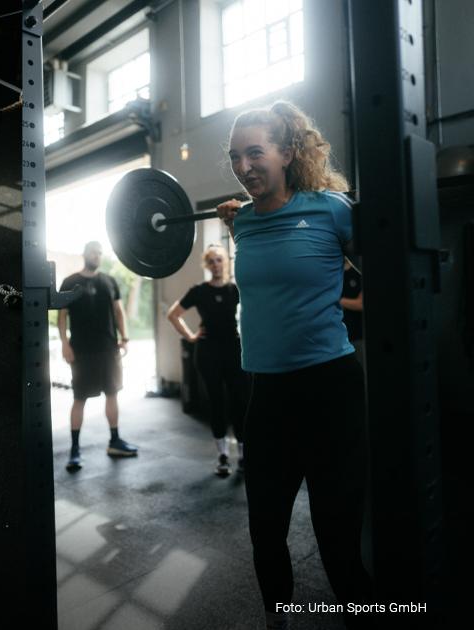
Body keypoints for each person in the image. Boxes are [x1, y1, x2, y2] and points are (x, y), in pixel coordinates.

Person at [216, 100, 371, 629]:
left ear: (286, 152)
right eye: (235, 156)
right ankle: (276, 620)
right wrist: (236, 219)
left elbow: (388, 273)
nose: (243, 166)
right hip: (268, 393)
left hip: (330, 388)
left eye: (255, 152)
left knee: (337, 537)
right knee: (265, 530)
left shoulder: (330, 209)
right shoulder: (242, 224)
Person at [165, 244, 248, 477]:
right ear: (206, 265)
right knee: (217, 402)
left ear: (226, 262)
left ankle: (242, 454)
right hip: (208, 352)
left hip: (234, 350)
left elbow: (256, 309)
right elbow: (173, 315)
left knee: (239, 403)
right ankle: (222, 455)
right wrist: (191, 336)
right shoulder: (199, 291)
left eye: (219, 259)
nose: (216, 264)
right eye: (211, 261)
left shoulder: (235, 290)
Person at [57, 241, 138, 472]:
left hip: (108, 349)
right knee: (79, 398)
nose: (97, 256)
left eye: (100, 253)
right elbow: (62, 316)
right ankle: (74, 450)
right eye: (94, 252)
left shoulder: (109, 281)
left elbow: (118, 311)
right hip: (81, 350)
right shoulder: (70, 282)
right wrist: (64, 344)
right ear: (85, 254)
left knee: (112, 394)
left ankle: (115, 441)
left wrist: (125, 338)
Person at [340, 259, 364, 366]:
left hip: (358, 336)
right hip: (339, 339)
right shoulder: (334, 274)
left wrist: (338, 300)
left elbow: (361, 304)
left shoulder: (358, 272)